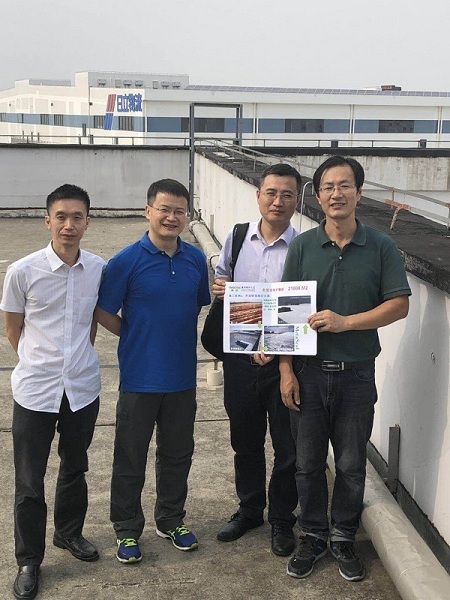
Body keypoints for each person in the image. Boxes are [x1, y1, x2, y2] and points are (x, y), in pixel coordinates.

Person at [279, 156, 411, 582]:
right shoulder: (302, 247)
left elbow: (399, 304)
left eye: (345, 185)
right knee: (307, 463)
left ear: (359, 192)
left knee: (352, 464)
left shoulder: (381, 247)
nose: (336, 194)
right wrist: (286, 371)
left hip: (356, 374)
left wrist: (345, 322)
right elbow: (284, 315)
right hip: (309, 372)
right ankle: (313, 535)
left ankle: (342, 536)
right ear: (318, 197)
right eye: (328, 187)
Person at [94, 178, 210, 564]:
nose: (171, 217)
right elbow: (103, 310)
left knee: (177, 453)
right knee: (130, 457)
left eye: (179, 211)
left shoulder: (195, 260)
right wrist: (134, 333)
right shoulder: (125, 261)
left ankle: (170, 519)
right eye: (164, 209)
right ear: (148, 211)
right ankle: (127, 529)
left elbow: (196, 304)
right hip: (139, 378)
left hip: (182, 378)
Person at [1, 184, 105, 600]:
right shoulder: (22, 271)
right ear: (47, 220)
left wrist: (75, 359)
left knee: (75, 467)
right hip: (35, 392)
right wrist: (39, 361)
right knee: (29, 480)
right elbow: (13, 329)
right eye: (61, 216)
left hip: (82, 387)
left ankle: (68, 533)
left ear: (87, 222)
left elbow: (92, 322)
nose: (68, 225)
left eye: (77, 217)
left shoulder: (98, 269)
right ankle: (29, 559)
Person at [213, 163, 301, 556]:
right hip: (240, 359)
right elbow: (221, 281)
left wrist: (281, 358)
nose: (278, 201)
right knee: (245, 441)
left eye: (287, 194)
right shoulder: (236, 238)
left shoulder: (303, 247)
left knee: (287, 447)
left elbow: (299, 307)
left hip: (285, 364)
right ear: (258, 195)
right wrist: (221, 288)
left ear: (297, 200)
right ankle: (250, 510)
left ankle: (282, 518)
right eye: (271, 193)